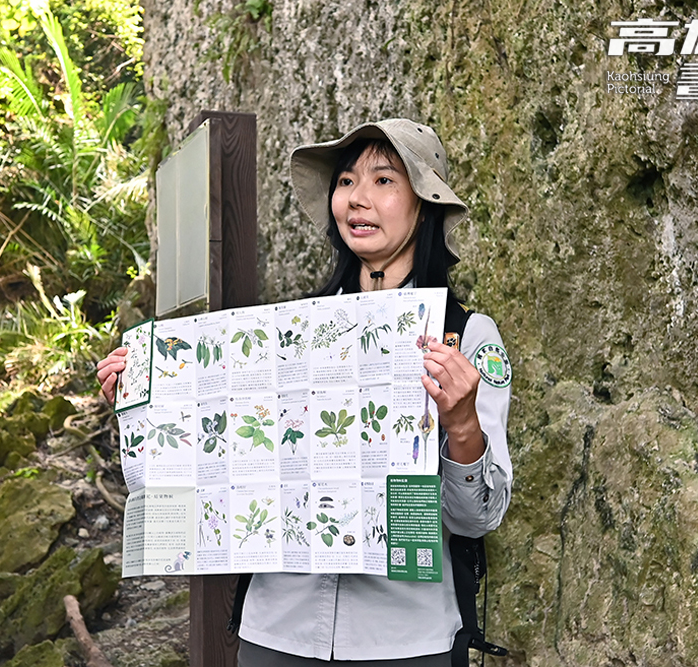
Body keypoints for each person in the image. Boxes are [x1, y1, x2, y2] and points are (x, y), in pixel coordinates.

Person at [96, 118, 512, 665]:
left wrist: (461, 425)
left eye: (385, 180)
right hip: (274, 632)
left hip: (404, 643)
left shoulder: (465, 338)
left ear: (425, 202)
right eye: (345, 182)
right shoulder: (286, 338)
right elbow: (223, 467)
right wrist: (146, 407)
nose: (358, 199)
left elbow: (478, 518)